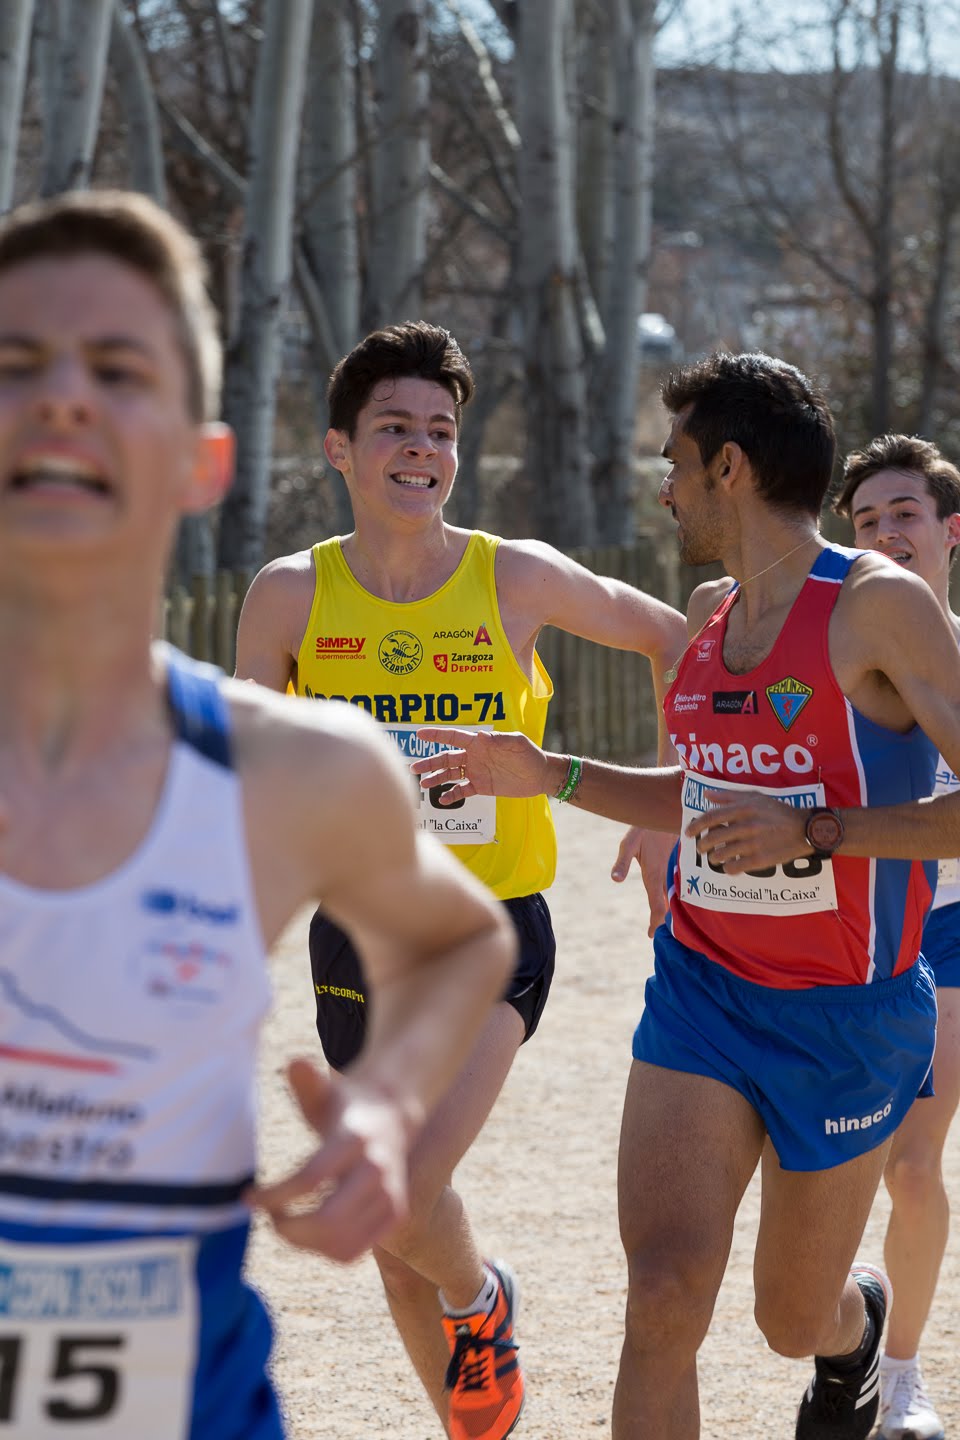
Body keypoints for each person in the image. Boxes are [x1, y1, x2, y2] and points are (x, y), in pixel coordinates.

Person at [0, 189, 517, 1440]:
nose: (64, 396)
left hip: (178, 1403)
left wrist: (391, 1105)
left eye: (119, 367)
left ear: (202, 460)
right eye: (17, 363)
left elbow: (463, 939)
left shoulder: (291, 768)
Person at [409, 350, 960, 1440]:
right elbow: (700, 794)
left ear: (732, 469)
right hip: (701, 995)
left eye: (676, 463)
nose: (663, 487)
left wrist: (817, 833)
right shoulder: (708, 609)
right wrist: (547, 769)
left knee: (789, 1316)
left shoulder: (876, 607)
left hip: (845, 1017)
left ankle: (851, 1339)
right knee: (661, 1298)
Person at [234, 319, 686, 1440]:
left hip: (495, 928)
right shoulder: (291, 596)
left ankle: (482, 1296)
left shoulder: (515, 577)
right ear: (339, 449)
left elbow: (685, 641)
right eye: (394, 427)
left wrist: (674, 805)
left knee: (398, 1178)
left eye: (441, 431)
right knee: (401, 1249)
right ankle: (471, 1381)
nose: (423, 450)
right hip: (360, 932)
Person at [833, 434, 960, 1440]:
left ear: (949, 531)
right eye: (866, 522)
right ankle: (844, 1328)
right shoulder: (832, 652)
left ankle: (904, 1376)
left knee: (914, 1166)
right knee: (854, 1161)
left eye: (903, 516)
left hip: (946, 927)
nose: (884, 536)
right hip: (853, 926)